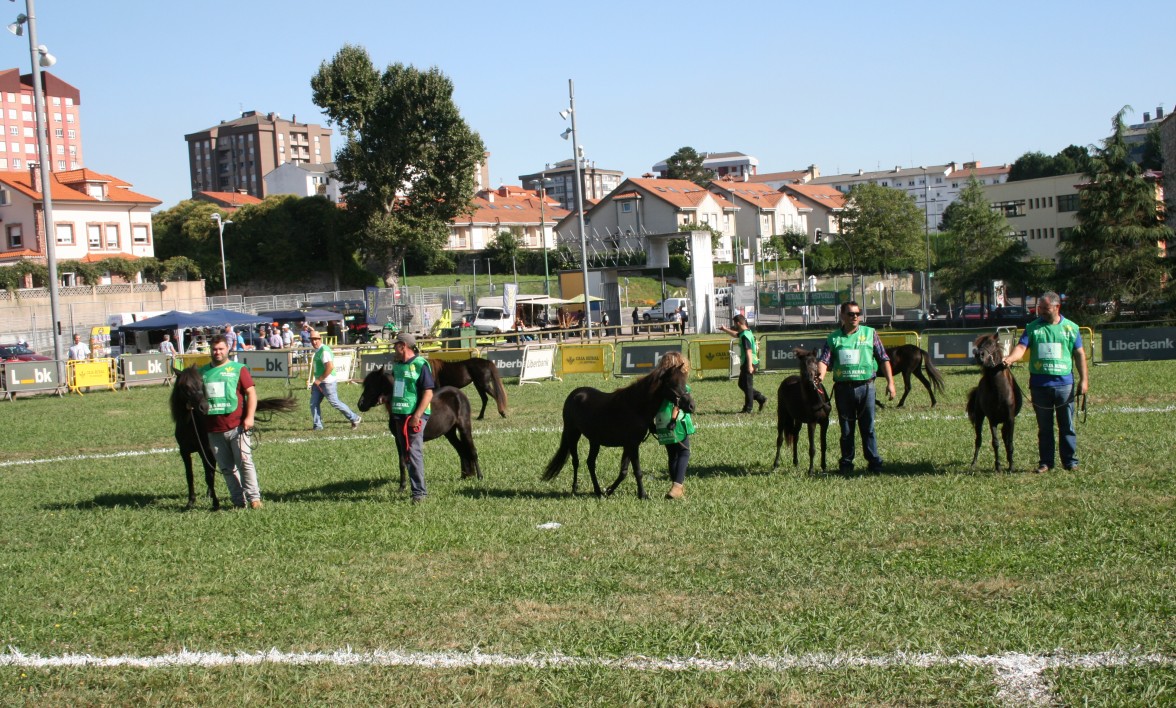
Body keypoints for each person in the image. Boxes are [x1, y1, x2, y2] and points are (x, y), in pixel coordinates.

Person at [1002, 291, 1089, 473]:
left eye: (1044, 308)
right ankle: (1046, 463)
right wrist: (1010, 359)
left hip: (1065, 385)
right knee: (1044, 428)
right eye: (1039, 307)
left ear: (1057, 307)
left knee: (1067, 426)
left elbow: (1079, 354)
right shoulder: (1033, 327)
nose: (1040, 311)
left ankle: (1070, 462)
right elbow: (1021, 347)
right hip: (1040, 386)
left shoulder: (1071, 328)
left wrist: (1084, 380)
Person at [816, 301, 896, 474]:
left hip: (866, 387)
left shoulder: (870, 333)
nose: (855, 317)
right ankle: (846, 464)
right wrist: (820, 376)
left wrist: (891, 383)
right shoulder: (834, 338)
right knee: (846, 429)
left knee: (868, 428)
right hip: (843, 389)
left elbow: (883, 358)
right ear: (842, 316)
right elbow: (824, 360)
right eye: (851, 314)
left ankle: (874, 464)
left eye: (857, 313)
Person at [200, 335, 262, 509]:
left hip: (238, 426)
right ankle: (237, 500)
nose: (217, 352)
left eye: (220, 348)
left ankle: (254, 498)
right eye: (214, 349)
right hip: (213, 428)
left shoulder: (238, 369)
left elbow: (251, 393)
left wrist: (249, 417)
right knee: (226, 468)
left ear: (227, 349)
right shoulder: (202, 372)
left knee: (244, 461)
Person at [390, 332, 435, 503]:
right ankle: (415, 488)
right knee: (406, 453)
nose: (393, 348)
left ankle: (419, 493)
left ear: (403, 346)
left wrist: (417, 415)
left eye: (395, 345)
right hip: (399, 415)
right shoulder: (397, 366)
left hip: (414, 416)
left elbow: (428, 392)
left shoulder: (420, 364)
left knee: (413, 452)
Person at [652, 351, 696, 500]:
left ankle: (675, 486)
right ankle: (677, 486)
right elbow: (678, 403)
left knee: (672, 455)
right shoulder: (681, 385)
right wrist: (673, 419)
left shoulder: (658, 386)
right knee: (684, 453)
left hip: (661, 422)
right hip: (675, 422)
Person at [307, 330, 362, 431]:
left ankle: (355, 418)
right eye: (312, 340)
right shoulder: (318, 350)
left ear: (320, 339)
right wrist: (316, 382)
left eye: (315, 339)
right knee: (313, 403)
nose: (313, 342)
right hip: (319, 383)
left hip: (327, 383)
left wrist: (319, 380)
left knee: (335, 403)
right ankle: (317, 426)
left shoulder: (324, 351)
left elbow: (330, 367)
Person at [719, 314, 767, 413]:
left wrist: (749, 366)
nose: (734, 326)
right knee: (742, 384)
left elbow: (748, 351)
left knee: (748, 386)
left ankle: (748, 409)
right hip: (749, 362)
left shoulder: (745, 336)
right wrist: (725, 329)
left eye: (734, 324)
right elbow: (735, 334)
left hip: (749, 362)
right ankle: (760, 398)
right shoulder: (747, 332)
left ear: (738, 323)